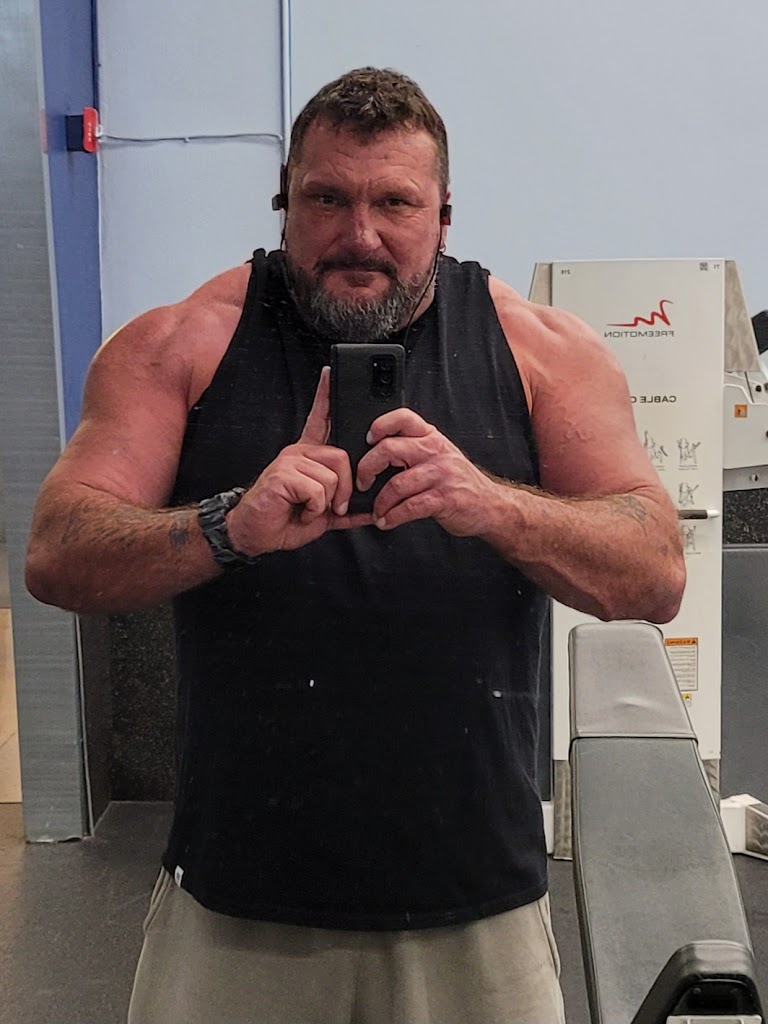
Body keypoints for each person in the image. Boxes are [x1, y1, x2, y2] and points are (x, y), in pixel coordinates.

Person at [25, 67, 685, 1024]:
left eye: (395, 203)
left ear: (444, 215)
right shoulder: (181, 343)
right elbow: (57, 551)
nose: (360, 234)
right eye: (327, 198)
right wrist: (227, 527)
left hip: (478, 905)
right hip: (236, 901)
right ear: (285, 200)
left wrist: (492, 505)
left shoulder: (543, 352)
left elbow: (655, 573)